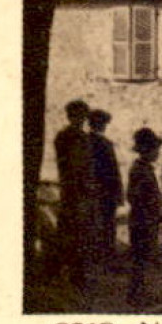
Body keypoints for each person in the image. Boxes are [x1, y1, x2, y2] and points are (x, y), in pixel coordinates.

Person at [52, 100, 95, 290]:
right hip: (74, 192)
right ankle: (69, 274)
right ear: (71, 116)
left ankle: (76, 274)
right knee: (72, 234)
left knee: (79, 234)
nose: (82, 120)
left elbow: (87, 167)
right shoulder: (67, 138)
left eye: (83, 116)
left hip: (80, 192)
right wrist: (83, 188)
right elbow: (74, 167)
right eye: (78, 116)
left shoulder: (80, 137)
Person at [126, 128, 162, 307]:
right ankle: (137, 296)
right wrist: (149, 215)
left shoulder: (144, 169)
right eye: (154, 148)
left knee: (143, 258)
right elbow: (135, 197)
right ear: (146, 150)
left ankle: (141, 293)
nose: (157, 152)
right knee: (140, 259)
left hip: (146, 221)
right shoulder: (139, 170)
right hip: (142, 222)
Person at [88, 109, 122, 261]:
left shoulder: (86, 142)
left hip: (95, 190)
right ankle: (107, 255)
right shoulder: (104, 143)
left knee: (96, 222)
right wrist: (118, 192)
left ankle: (98, 253)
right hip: (106, 190)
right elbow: (113, 171)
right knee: (107, 224)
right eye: (102, 123)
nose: (103, 126)